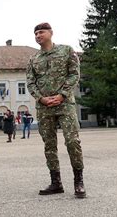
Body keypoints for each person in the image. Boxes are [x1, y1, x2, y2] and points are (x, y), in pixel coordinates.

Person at [26, 22, 86, 199]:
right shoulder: (33, 59)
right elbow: (30, 82)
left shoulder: (66, 51)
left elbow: (74, 74)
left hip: (65, 104)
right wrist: (41, 98)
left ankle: (78, 181)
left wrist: (62, 95)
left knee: (72, 141)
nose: (38, 35)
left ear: (51, 33)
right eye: (36, 33)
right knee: (49, 145)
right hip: (44, 107)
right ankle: (56, 182)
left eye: (41, 32)